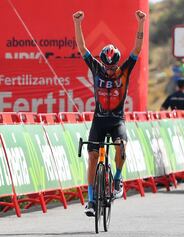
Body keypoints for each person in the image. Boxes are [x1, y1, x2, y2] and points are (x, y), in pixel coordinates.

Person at [73, 9, 146, 217]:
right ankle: (90, 199)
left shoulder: (124, 70)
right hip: (99, 120)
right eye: (107, 66)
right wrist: (77, 23)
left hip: (117, 120)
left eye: (113, 66)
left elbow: (137, 48)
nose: (110, 70)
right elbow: (81, 47)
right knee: (92, 156)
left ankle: (118, 177)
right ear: (102, 62)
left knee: (121, 146)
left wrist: (140, 23)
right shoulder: (96, 67)